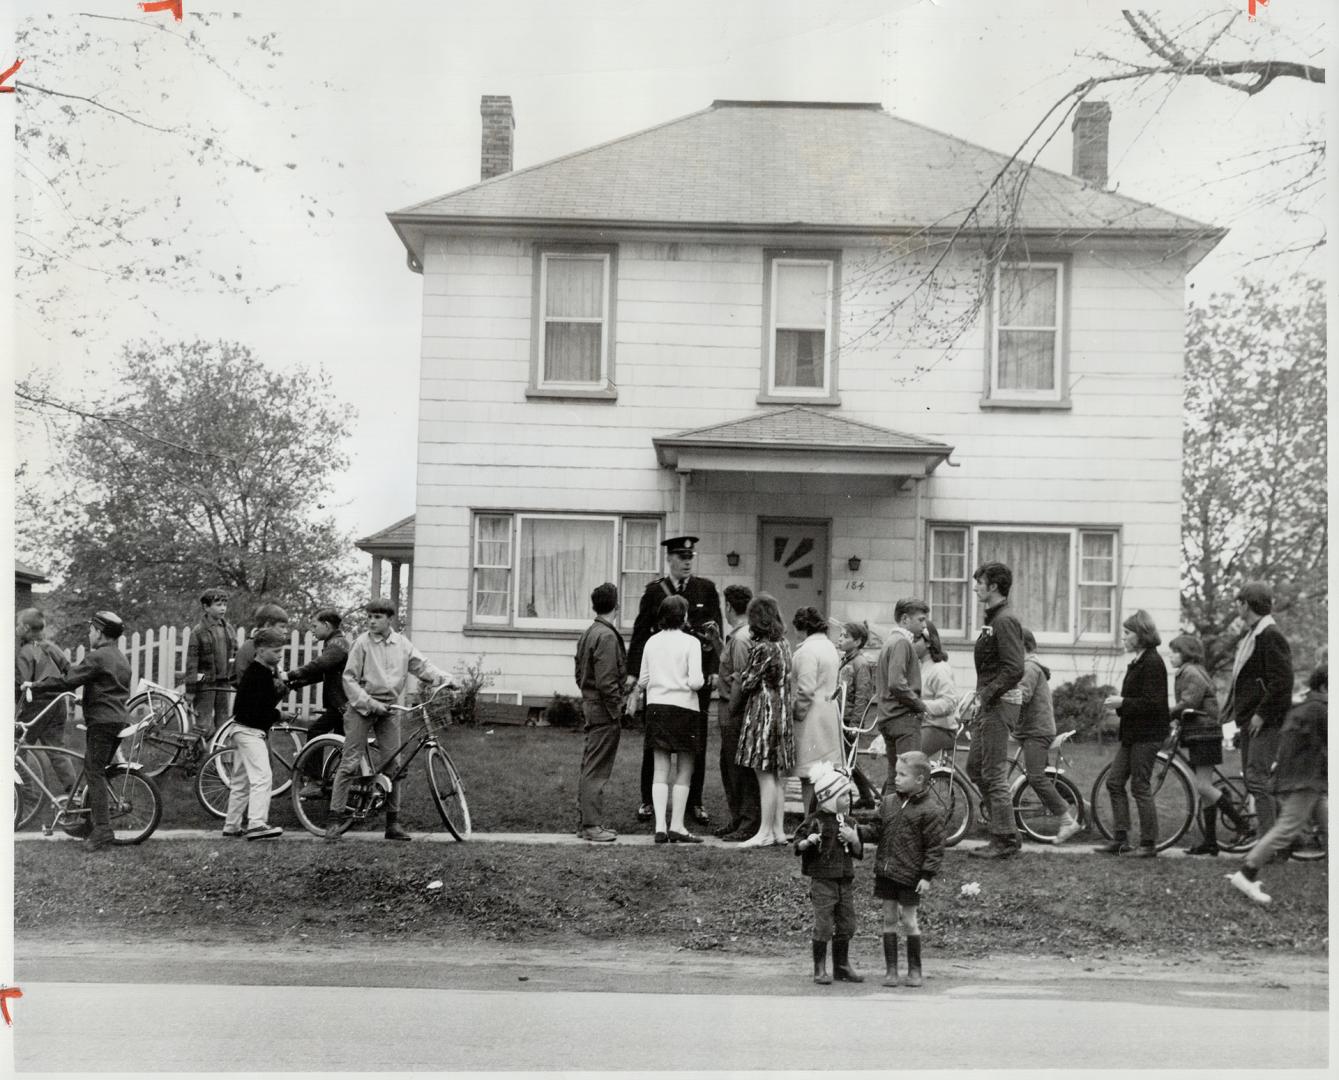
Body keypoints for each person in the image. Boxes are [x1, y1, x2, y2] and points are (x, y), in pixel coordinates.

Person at [327, 598, 448, 841]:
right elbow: (348, 679)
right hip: (363, 706)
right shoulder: (361, 644)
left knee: (395, 765)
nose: (372, 621)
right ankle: (334, 818)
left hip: (390, 708)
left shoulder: (401, 644)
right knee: (350, 762)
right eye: (369, 616)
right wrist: (370, 704)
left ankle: (393, 822)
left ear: (390, 619)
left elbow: (421, 666)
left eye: (378, 617)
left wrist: (444, 678)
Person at [626, 536, 723, 828]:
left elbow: (716, 632)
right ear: (669, 559)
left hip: (697, 679)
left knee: (696, 744)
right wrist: (634, 674)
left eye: (690, 556)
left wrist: (716, 668)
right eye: (681, 557)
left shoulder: (705, 589)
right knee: (655, 743)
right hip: (663, 681)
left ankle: (694, 801)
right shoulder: (656, 592)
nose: (687, 562)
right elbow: (641, 633)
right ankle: (648, 800)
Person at [24, 611, 131, 852]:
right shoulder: (120, 658)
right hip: (117, 720)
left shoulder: (98, 657)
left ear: (101, 633)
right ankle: (89, 823)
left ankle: (102, 829)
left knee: (94, 772)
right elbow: (112, 690)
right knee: (96, 768)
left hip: (102, 723)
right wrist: (89, 700)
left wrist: (36, 686)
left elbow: (67, 681)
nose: (89, 633)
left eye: (92, 630)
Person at [1228, 664, 1327, 905]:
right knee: (1285, 830)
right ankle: (1246, 874)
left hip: (1302, 779)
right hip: (1306, 781)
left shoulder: (1304, 708)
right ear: (1326, 686)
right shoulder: (1321, 711)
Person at [857, 751, 945, 988]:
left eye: (902, 774)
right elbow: (876, 830)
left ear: (919, 780)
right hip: (887, 873)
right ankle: (891, 970)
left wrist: (927, 875)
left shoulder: (930, 810)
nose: (896, 778)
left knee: (908, 920)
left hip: (910, 876)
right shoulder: (888, 802)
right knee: (888, 918)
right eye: (896, 773)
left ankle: (915, 970)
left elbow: (935, 847)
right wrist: (856, 833)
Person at [1095, 609, 1171, 857]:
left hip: (1147, 735)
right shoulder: (1139, 660)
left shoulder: (1152, 662)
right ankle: (1121, 839)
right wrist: (1122, 705)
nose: (1123, 638)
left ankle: (1149, 844)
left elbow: (1153, 703)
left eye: (1127, 633)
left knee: (1140, 786)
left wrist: (1122, 703)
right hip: (1133, 734)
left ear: (1140, 634)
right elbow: (1138, 700)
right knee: (1115, 782)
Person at [1223, 581, 1293, 840]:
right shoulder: (1253, 634)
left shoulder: (1269, 635)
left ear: (1246, 604)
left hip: (1266, 721)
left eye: (1238, 603)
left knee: (1257, 779)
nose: (1237, 607)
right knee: (1256, 781)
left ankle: (1270, 843)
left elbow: (1283, 682)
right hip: (1251, 719)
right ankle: (1283, 837)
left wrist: (1261, 714)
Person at [966, 562, 1025, 859]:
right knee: (975, 768)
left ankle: (1004, 839)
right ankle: (1006, 831)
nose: (976, 586)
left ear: (994, 587)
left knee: (992, 772)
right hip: (990, 702)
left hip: (1000, 704)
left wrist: (986, 695)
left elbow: (1015, 668)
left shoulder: (1004, 620)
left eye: (980, 582)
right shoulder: (994, 619)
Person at [1168, 634, 1246, 855]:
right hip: (1200, 733)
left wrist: (1165, 715)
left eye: (1175, 651)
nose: (1171, 655)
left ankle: (1242, 824)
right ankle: (1210, 842)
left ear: (1186, 653)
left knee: (1203, 787)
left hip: (1204, 734)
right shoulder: (1192, 671)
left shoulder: (1191, 673)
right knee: (1204, 790)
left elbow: (1188, 703)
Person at [637, 594, 705, 843]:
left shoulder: (651, 642)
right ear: (684, 616)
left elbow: (643, 680)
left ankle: (660, 827)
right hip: (685, 708)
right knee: (684, 769)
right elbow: (697, 681)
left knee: (660, 770)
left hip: (657, 708)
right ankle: (677, 825)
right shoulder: (691, 643)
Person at [731, 593, 795, 847]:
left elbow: (747, 681)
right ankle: (777, 831)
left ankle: (765, 832)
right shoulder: (784, 644)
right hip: (782, 714)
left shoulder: (762, 648)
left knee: (764, 774)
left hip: (764, 714)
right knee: (777, 776)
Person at [793, 764, 865, 985]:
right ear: (828, 798)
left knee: (847, 924)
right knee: (824, 924)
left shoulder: (850, 823)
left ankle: (841, 966)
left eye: (848, 795)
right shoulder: (814, 821)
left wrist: (854, 840)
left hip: (844, 879)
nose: (848, 800)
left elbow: (858, 852)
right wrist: (808, 842)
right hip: (823, 880)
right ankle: (819, 968)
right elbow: (797, 845)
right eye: (843, 796)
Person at [1016, 630, 1082, 844]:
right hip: (1031, 729)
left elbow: (1022, 696)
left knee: (1035, 776)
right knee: (1043, 777)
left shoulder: (1030, 667)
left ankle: (1066, 821)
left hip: (1037, 731)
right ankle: (1085, 811)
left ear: (1022, 646)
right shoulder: (1028, 666)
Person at [222, 626, 288, 840]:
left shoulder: (258, 672)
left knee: (241, 780)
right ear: (260, 650)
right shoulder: (259, 675)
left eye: (281, 651)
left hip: (241, 730)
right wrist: (279, 715)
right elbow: (259, 711)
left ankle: (231, 825)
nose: (279, 656)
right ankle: (257, 824)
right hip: (250, 732)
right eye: (275, 651)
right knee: (262, 776)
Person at [573, 583, 627, 843]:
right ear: (616, 606)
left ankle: (585, 823)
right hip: (604, 711)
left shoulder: (589, 633)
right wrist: (617, 709)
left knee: (589, 765)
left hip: (591, 705)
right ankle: (592, 825)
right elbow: (607, 681)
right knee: (596, 769)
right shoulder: (605, 636)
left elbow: (578, 673)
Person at [284, 609, 350, 800]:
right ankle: (342, 787)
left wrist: (290, 675)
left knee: (315, 733)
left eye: (315, 626)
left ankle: (314, 782)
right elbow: (323, 673)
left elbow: (319, 665)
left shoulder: (337, 644)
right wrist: (298, 683)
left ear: (327, 625)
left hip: (341, 705)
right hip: (341, 704)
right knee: (343, 747)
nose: (312, 630)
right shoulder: (335, 643)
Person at [713, 584, 760, 841]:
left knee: (738, 767)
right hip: (730, 708)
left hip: (734, 710)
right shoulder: (739, 636)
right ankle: (738, 818)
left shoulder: (742, 638)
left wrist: (732, 709)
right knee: (728, 765)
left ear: (728, 607)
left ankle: (748, 822)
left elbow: (741, 678)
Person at [15, 608, 78, 793]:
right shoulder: (52, 647)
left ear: (25, 627)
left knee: (15, 745)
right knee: (56, 749)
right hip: (58, 704)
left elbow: (22, 684)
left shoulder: (26, 651)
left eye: (18, 625)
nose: (16, 628)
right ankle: (74, 791)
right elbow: (70, 672)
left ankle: (24, 793)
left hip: (37, 704)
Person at [790, 607, 843, 810]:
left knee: (809, 775)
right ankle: (821, 820)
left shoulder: (807, 651)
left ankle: (810, 822)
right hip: (828, 712)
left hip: (812, 716)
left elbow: (805, 689)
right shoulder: (829, 646)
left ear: (803, 628)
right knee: (823, 773)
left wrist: (795, 713)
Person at [874, 599, 930, 784]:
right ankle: (904, 813)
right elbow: (897, 683)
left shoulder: (891, 641)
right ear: (905, 619)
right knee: (909, 778)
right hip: (902, 719)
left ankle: (890, 813)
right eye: (921, 620)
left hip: (888, 717)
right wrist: (920, 705)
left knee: (895, 777)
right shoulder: (902, 643)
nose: (924, 625)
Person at [836, 620, 881, 809]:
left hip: (850, 721)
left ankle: (866, 798)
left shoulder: (860, 663)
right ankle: (867, 797)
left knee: (848, 761)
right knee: (849, 761)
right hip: (841, 717)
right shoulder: (846, 659)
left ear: (858, 641)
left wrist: (855, 723)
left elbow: (863, 696)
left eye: (845, 636)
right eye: (840, 635)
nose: (840, 639)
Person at [183, 588, 237, 740]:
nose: (223, 608)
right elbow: (191, 663)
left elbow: (235, 654)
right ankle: (197, 758)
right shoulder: (198, 632)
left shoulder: (229, 629)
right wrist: (190, 691)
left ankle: (218, 758)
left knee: (223, 722)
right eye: (218, 605)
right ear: (206, 607)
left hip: (224, 683)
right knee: (203, 724)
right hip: (205, 685)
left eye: (225, 605)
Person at [916, 620, 960, 761]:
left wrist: (920, 706)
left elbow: (949, 702)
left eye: (916, 639)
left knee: (909, 756)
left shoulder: (939, 668)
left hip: (940, 728)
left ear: (928, 642)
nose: (910, 643)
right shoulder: (919, 667)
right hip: (923, 725)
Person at [234, 603, 290, 687]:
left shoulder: (263, 645)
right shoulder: (254, 647)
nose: (286, 631)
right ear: (267, 626)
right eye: (282, 627)